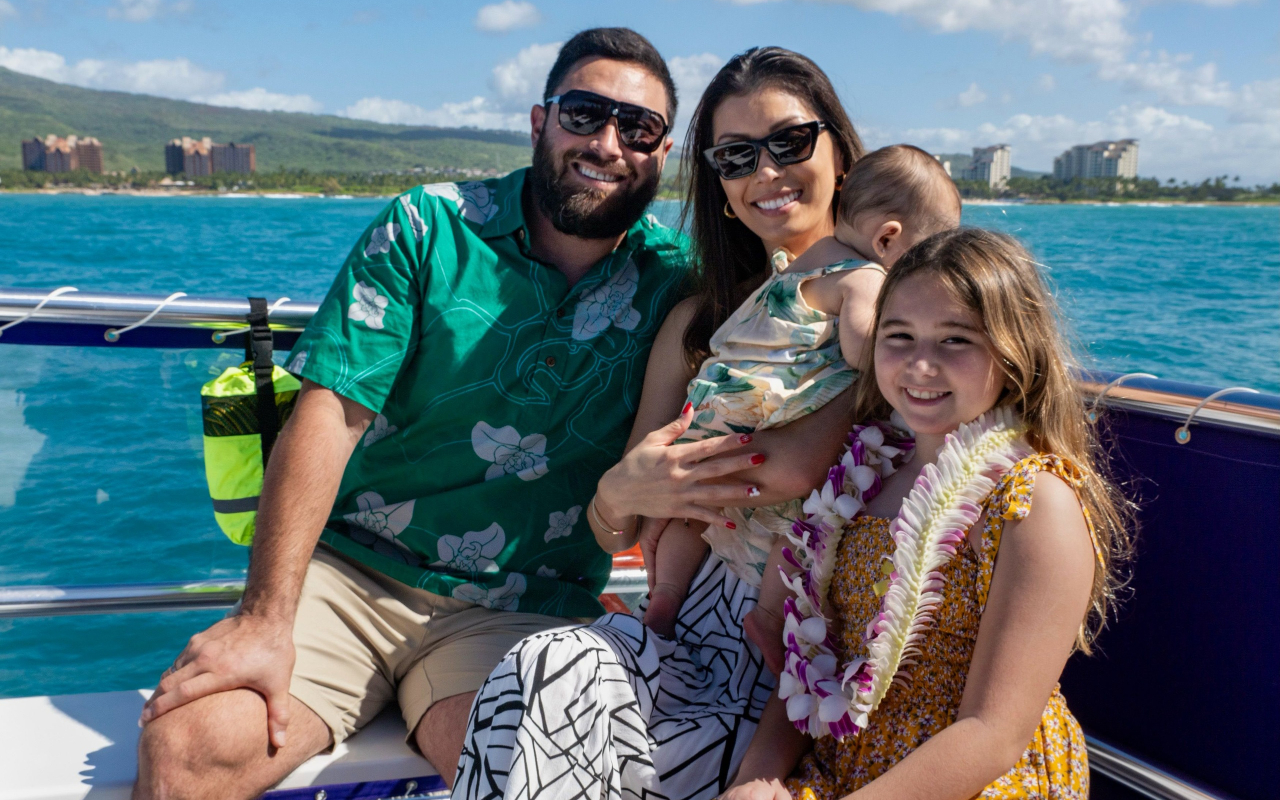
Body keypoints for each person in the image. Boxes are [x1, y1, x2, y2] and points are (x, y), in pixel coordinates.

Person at [134, 28, 697, 799]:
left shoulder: (673, 282)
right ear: (540, 122)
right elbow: (330, 413)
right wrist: (265, 618)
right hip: (352, 576)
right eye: (584, 114)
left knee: (533, 771)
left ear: (663, 154)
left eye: (638, 128)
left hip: (517, 609)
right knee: (188, 744)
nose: (606, 143)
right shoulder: (428, 227)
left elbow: (798, 295)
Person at [454, 47, 868, 800]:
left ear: (839, 151)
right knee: (544, 667)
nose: (767, 171)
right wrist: (621, 491)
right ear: (720, 185)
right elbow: (619, 521)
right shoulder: (699, 322)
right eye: (736, 156)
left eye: (790, 142)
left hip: (816, 651)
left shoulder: (899, 317)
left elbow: (792, 467)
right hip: (695, 622)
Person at [722, 228, 1133, 800]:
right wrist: (756, 780)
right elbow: (811, 671)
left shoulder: (1034, 502)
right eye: (899, 336)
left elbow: (993, 734)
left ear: (1014, 352)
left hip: (980, 779)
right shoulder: (858, 480)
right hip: (844, 766)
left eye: (955, 340)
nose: (920, 364)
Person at [639, 145, 962, 672]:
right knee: (800, 525)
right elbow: (863, 351)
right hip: (769, 410)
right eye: (924, 255)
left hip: (716, 401)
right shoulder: (866, 277)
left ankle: (665, 598)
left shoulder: (801, 263)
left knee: (694, 516)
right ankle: (769, 615)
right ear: (888, 238)